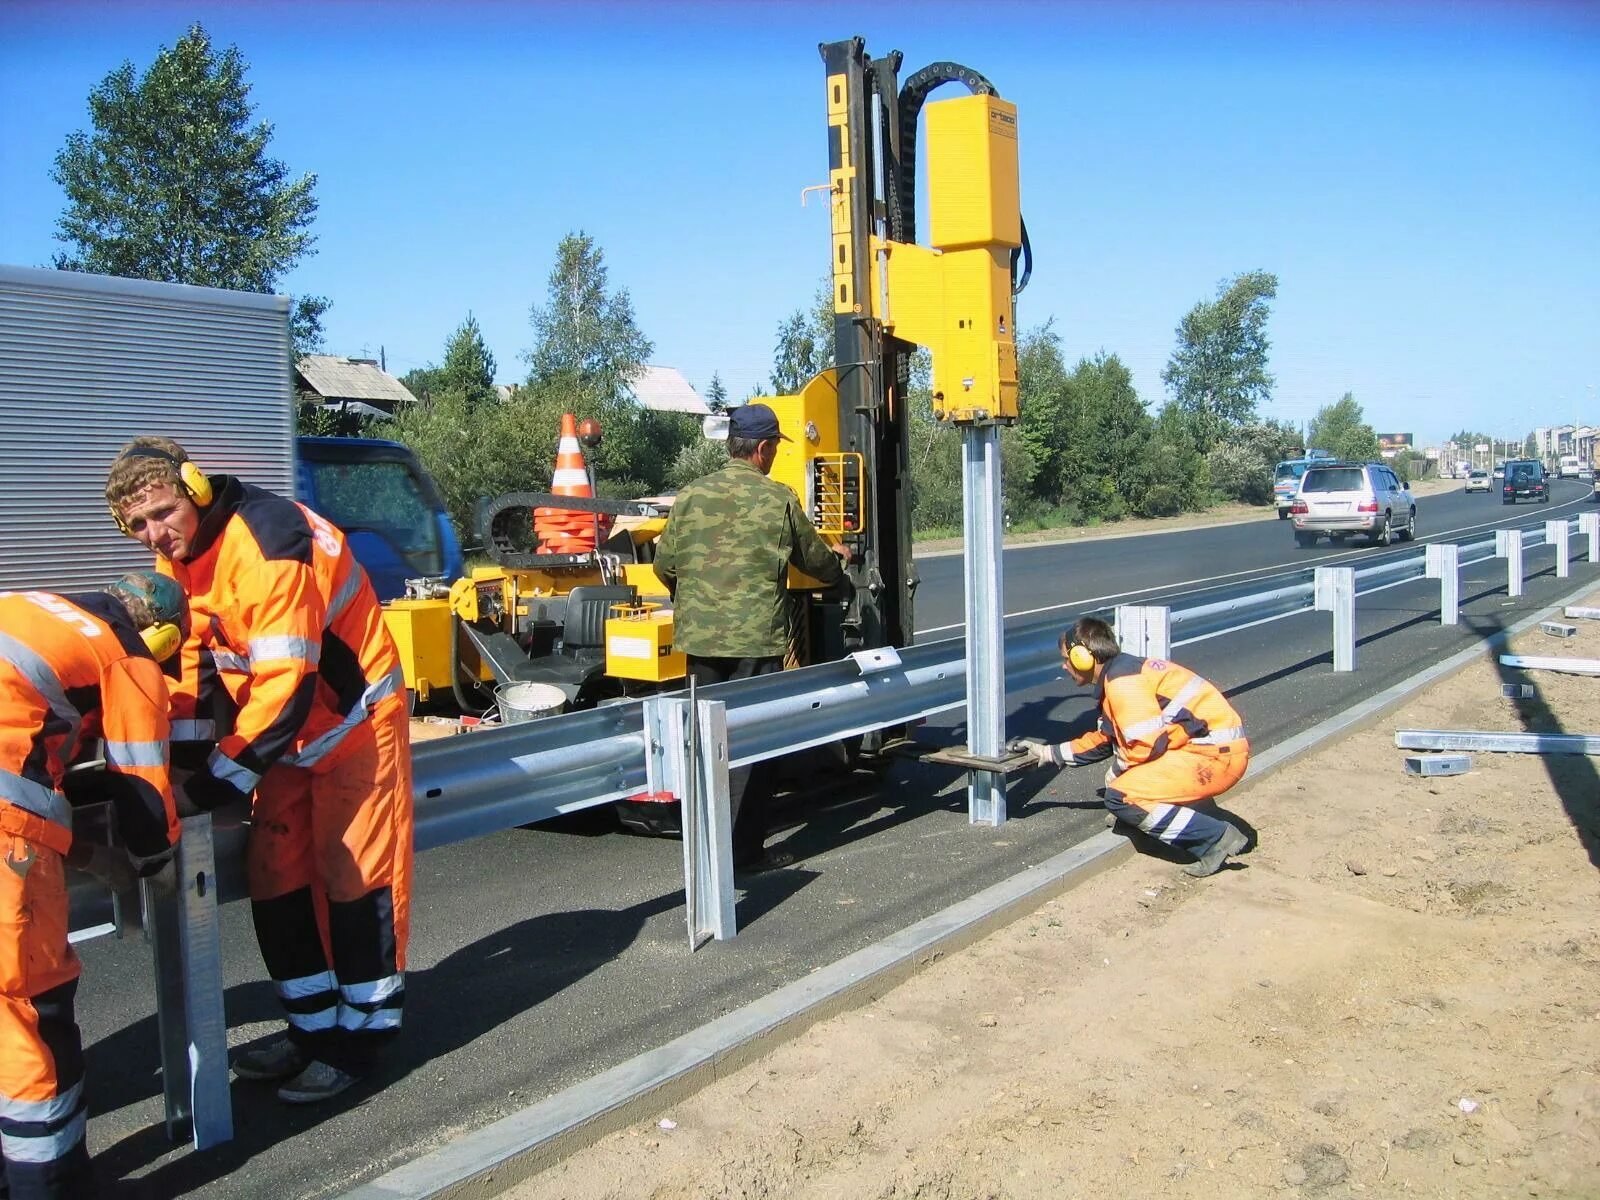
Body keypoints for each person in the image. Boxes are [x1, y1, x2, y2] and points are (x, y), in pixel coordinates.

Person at [105, 438, 413, 1105]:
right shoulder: (178, 558)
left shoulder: (269, 541)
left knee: (354, 877)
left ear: (194, 489)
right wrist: (178, 770)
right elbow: (187, 665)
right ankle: (310, 1031)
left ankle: (360, 1043)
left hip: (351, 722)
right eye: (139, 525)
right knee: (275, 876)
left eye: (163, 512)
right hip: (279, 738)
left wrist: (215, 782)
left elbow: (285, 684)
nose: (157, 533)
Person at [0, 574, 183, 1200]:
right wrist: (153, 857)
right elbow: (138, 777)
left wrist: (80, 847)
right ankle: (48, 1183)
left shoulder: (31, 606)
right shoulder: (124, 652)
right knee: (31, 1013)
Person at [652, 403, 850, 870]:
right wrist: (839, 559)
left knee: (704, 743)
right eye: (775, 450)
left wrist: (698, 599)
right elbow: (814, 563)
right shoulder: (777, 499)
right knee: (754, 747)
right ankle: (744, 854)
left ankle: (703, 850)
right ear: (763, 449)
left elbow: (665, 565)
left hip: (699, 642)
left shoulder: (691, 495)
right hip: (756, 643)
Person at [1015, 615, 1251, 877]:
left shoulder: (1123, 684)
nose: (1064, 667)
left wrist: (1119, 778)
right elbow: (1105, 740)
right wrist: (1047, 752)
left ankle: (1214, 839)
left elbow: (1145, 747)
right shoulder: (1121, 673)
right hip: (1209, 751)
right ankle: (1170, 821)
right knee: (1123, 790)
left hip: (1213, 758)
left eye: (1066, 658)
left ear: (1083, 656)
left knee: (1122, 797)